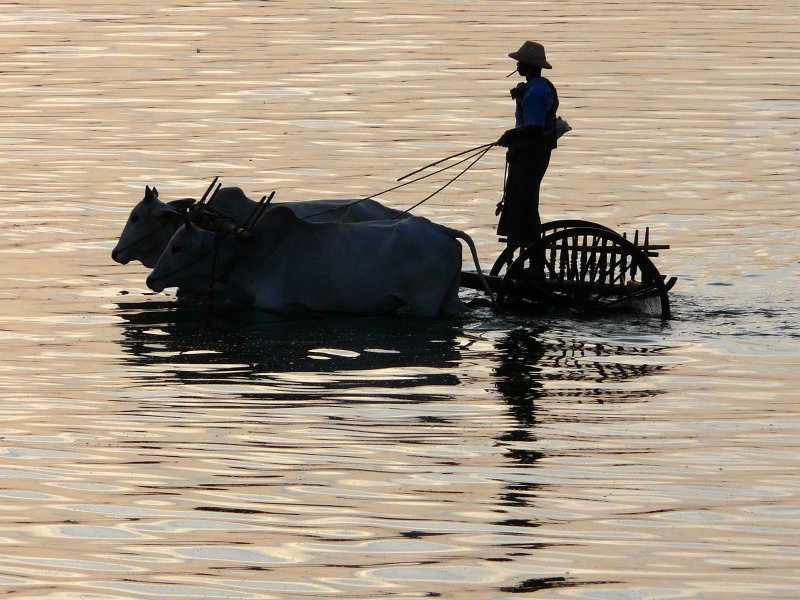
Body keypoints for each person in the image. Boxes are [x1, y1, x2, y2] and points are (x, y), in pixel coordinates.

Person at [495, 41, 566, 248]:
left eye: (520, 62)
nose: (517, 65)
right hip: (533, 152)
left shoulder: (535, 93)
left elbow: (534, 127)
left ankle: (533, 257)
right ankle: (524, 251)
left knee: (523, 202)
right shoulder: (536, 87)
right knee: (522, 200)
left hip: (531, 154)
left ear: (529, 66)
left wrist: (510, 134)